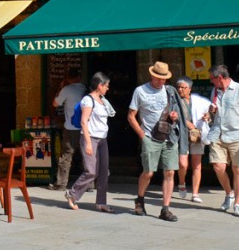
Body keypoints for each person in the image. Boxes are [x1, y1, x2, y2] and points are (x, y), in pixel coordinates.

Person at [128, 61, 180, 222]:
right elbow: (131, 115)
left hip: (169, 136)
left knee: (170, 172)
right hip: (150, 136)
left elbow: (175, 111)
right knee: (149, 172)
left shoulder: (169, 91)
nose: (161, 81)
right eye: (158, 78)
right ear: (152, 75)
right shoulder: (140, 91)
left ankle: (165, 209)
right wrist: (141, 135)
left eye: (164, 79)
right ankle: (140, 199)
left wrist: (173, 117)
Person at [207, 64, 239, 218]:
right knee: (218, 166)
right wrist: (210, 112)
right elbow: (212, 114)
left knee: (238, 169)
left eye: (212, 79)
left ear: (220, 77)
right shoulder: (214, 91)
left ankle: (238, 204)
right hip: (218, 133)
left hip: (237, 135)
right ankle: (229, 194)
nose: (211, 82)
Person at [65, 72, 116, 212]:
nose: (108, 88)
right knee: (91, 171)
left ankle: (101, 202)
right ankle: (72, 194)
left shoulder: (103, 100)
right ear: (100, 85)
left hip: (102, 139)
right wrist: (88, 142)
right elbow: (83, 121)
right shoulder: (88, 100)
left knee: (103, 172)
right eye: (106, 85)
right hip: (91, 138)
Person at [49, 67, 85, 190]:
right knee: (86, 155)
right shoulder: (85, 89)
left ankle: (61, 184)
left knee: (66, 156)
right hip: (85, 128)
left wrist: (60, 87)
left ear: (68, 78)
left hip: (70, 127)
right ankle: (90, 184)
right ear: (79, 77)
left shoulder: (67, 89)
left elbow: (55, 103)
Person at [175, 76, 210, 203]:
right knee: (183, 163)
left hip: (196, 134)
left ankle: (195, 193)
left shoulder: (199, 100)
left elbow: (209, 109)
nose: (180, 90)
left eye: (183, 88)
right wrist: (185, 121)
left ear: (189, 89)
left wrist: (208, 116)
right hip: (181, 135)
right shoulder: (174, 101)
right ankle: (182, 182)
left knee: (196, 164)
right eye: (178, 87)